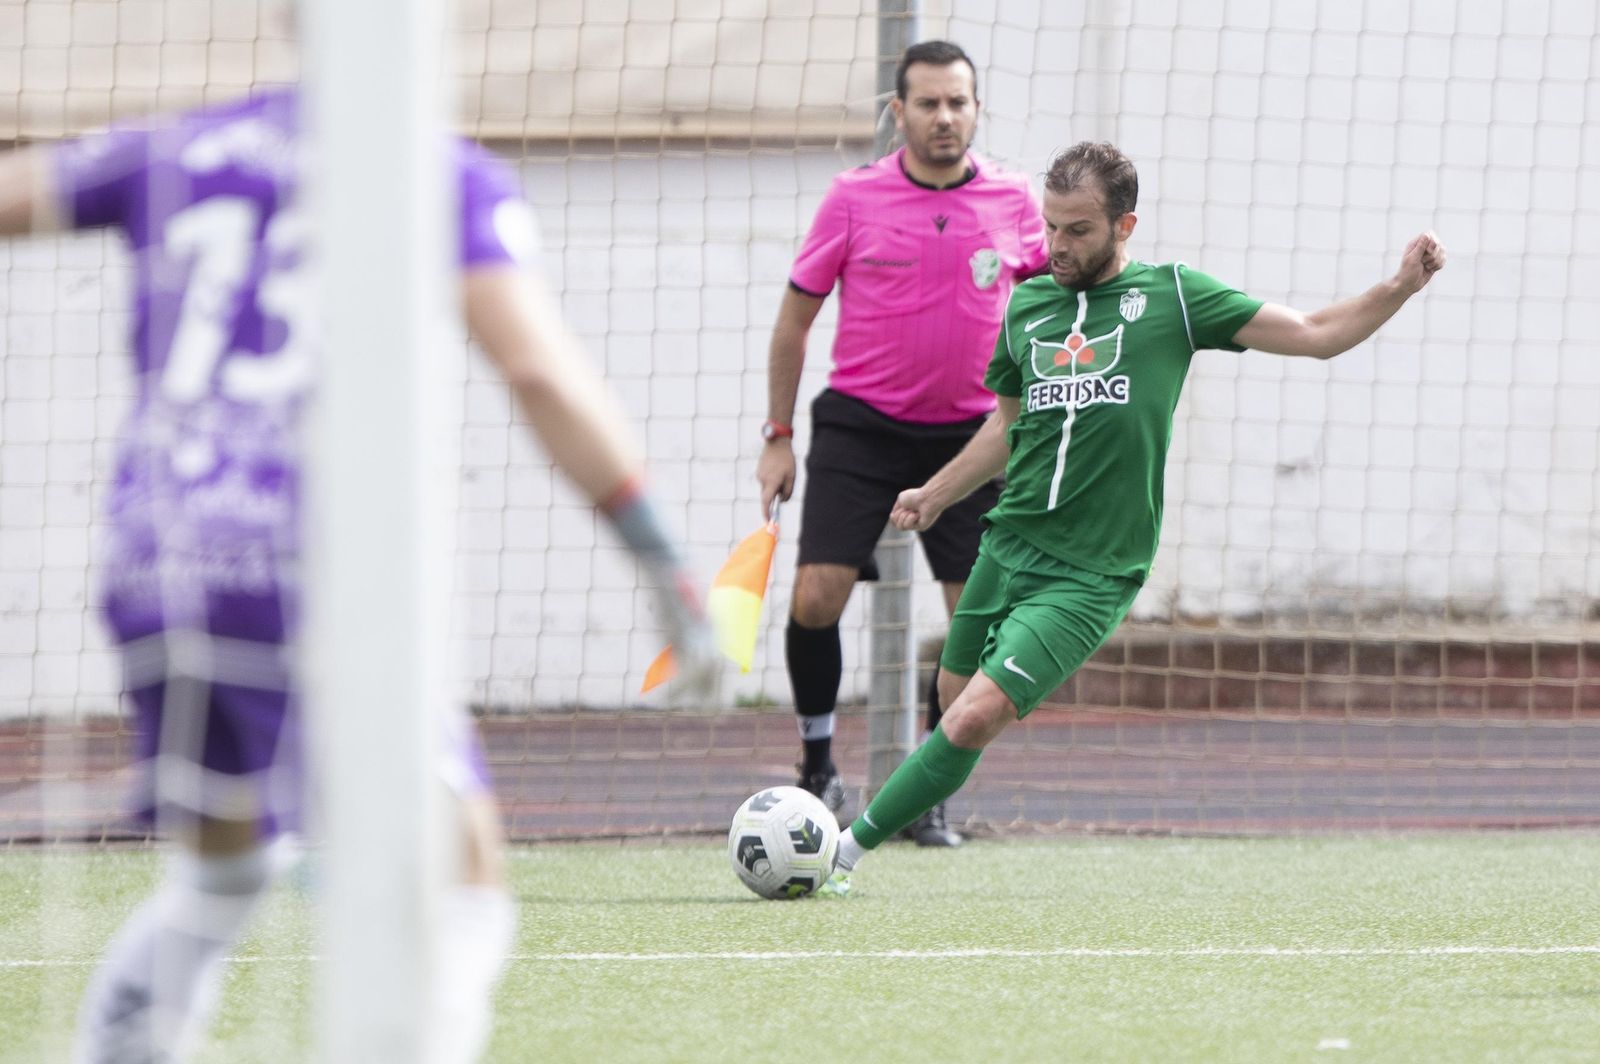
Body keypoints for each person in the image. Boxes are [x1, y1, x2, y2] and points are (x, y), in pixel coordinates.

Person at [0, 87, 717, 1062]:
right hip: (316, 562)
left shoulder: (175, 149)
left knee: (222, 874)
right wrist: (663, 559)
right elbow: (540, 372)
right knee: (464, 872)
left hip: (156, 559)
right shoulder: (435, 170)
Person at [821, 141, 1446, 892]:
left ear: (1125, 227)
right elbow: (1005, 427)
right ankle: (906, 811)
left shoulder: (1176, 298)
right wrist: (936, 493)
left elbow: (1313, 334)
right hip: (1007, 543)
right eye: (1050, 227)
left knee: (971, 718)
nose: (1057, 246)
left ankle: (839, 854)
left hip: (1092, 572)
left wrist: (1398, 288)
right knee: (954, 704)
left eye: (1078, 231)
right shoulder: (1026, 304)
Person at [755, 40, 1047, 846]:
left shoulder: (1019, 202)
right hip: (861, 426)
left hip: (974, 436)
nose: (945, 117)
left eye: (958, 102)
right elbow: (794, 322)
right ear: (899, 112)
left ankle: (922, 797)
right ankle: (818, 764)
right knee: (815, 597)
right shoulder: (853, 198)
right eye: (928, 103)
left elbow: (1059, 311)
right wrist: (778, 437)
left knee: (972, 627)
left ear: (976, 109)